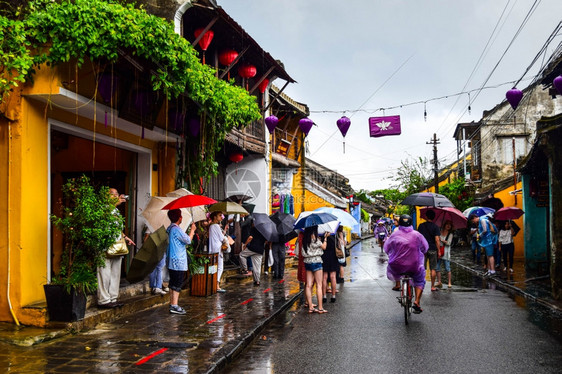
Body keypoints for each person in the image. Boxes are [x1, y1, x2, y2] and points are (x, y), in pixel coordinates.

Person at [97, 188, 135, 309]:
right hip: (105, 245)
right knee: (104, 272)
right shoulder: (103, 209)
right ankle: (104, 300)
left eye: (116, 194)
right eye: (112, 194)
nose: (115, 196)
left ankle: (113, 298)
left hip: (117, 245)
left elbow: (117, 229)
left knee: (115, 273)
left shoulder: (116, 211)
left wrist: (126, 237)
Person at [384, 214, 429, 313]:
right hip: (414, 266)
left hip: (396, 266)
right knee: (420, 279)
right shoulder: (417, 235)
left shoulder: (394, 235)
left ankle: (399, 285)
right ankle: (417, 301)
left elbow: (386, 248)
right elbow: (425, 248)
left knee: (398, 271)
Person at [167, 209, 196, 315]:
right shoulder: (176, 229)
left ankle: (172, 304)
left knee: (173, 282)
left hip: (171, 258)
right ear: (179, 218)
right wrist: (192, 230)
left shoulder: (169, 229)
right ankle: (174, 305)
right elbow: (188, 240)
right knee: (177, 283)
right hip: (178, 259)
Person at [296, 225, 328, 314]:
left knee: (308, 285)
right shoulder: (315, 238)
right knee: (319, 285)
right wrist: (325, 238)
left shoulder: (304, 239)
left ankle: (310, 307)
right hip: (317, 262)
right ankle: (320, 308)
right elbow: (324, 247)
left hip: (307, 262)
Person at [417, 209, 441, 291]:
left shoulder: (421, 226)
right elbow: (437, 240)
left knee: (422, 268)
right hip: (433, 249)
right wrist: (439, 251)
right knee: (433, 268)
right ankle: (432, 286)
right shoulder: (435, 227)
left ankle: (421, 285)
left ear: (426, 216)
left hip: (423, 250)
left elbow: (418, 238)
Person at [208, 211, 230, 293]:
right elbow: (221, 238)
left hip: (212, 248)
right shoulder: (216, 226)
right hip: (218, 249)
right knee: (220, 267)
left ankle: (214, 284)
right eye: (219, 215)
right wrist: (227, 240)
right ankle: (217, 285)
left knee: (214, 267)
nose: (221, 217)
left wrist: (224, 231)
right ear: (214, 217)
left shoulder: (211, 226)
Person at [240, 221, 267, 286]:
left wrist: (245, 245)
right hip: (260, 250)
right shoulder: (265, 231)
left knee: (241, 255)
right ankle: (257, 281)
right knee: (257, 266)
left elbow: (250, 238)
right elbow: (266, 241)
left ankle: (245, 268)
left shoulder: (254, 229)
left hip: (252, 248)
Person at [321, 232, 339, 303]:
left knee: (324, 277)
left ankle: (324, 296)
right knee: (333, 276)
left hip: (324, 255)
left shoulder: (321, 233)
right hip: (333, 255)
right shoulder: (333, 232)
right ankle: (333, 296)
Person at [436, 220, 453, 288]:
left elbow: (449, 243)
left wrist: (442, 240)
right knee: (437, 268)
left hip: (446, 253)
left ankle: (449, 282)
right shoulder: (439, 232)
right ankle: (439, 282)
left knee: (447, 268)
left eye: (450, 225)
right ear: (444, 225)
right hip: (439, 252)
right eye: (447, 224)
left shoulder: (450, 234)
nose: (448, 226)